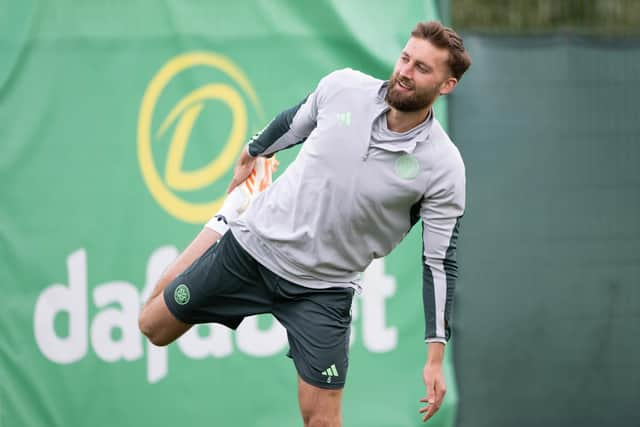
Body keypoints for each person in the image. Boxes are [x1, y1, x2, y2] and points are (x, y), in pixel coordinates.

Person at [139, 20, 471, 426]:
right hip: (253, 248)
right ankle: (228, 217)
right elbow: (294, 121)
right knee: (152, 326)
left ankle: (232, 215)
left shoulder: (444, 166)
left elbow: (439, 262)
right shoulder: (344, 88)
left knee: (323, 422)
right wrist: (252, 151)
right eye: (405, 58)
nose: (405, 71)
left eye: (422, 68)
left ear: (446, 85)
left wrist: (435, 358)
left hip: (324, 291)